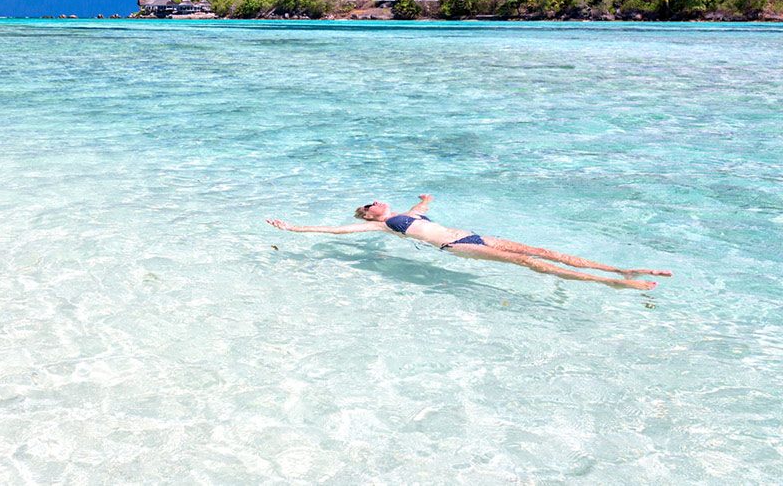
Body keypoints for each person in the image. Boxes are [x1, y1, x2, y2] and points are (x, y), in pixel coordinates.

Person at [266, 194, 672, 290]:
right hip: (457, 247)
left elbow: (422, 206)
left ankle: (622, 268)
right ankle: (614, 283)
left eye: (375, 200)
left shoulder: (409, 214)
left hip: (470, 234)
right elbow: (336, 231)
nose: (377, 202)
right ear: (369, 214)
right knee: (530, 264)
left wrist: (425, 198)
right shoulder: (383, 227)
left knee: (541, 251)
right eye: (370, 204)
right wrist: (294, 229)